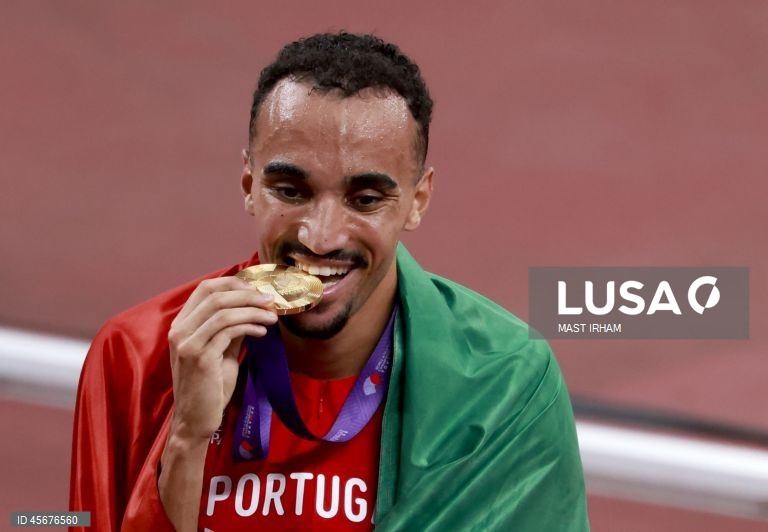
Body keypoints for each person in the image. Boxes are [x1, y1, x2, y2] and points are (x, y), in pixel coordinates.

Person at [70, 32, 589, 531]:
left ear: (417, 201)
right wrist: (186, 438)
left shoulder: (505, 384)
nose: (320, 237)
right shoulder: (136, 357)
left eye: (365, 200)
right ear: (250, 185)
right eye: (291, 191)